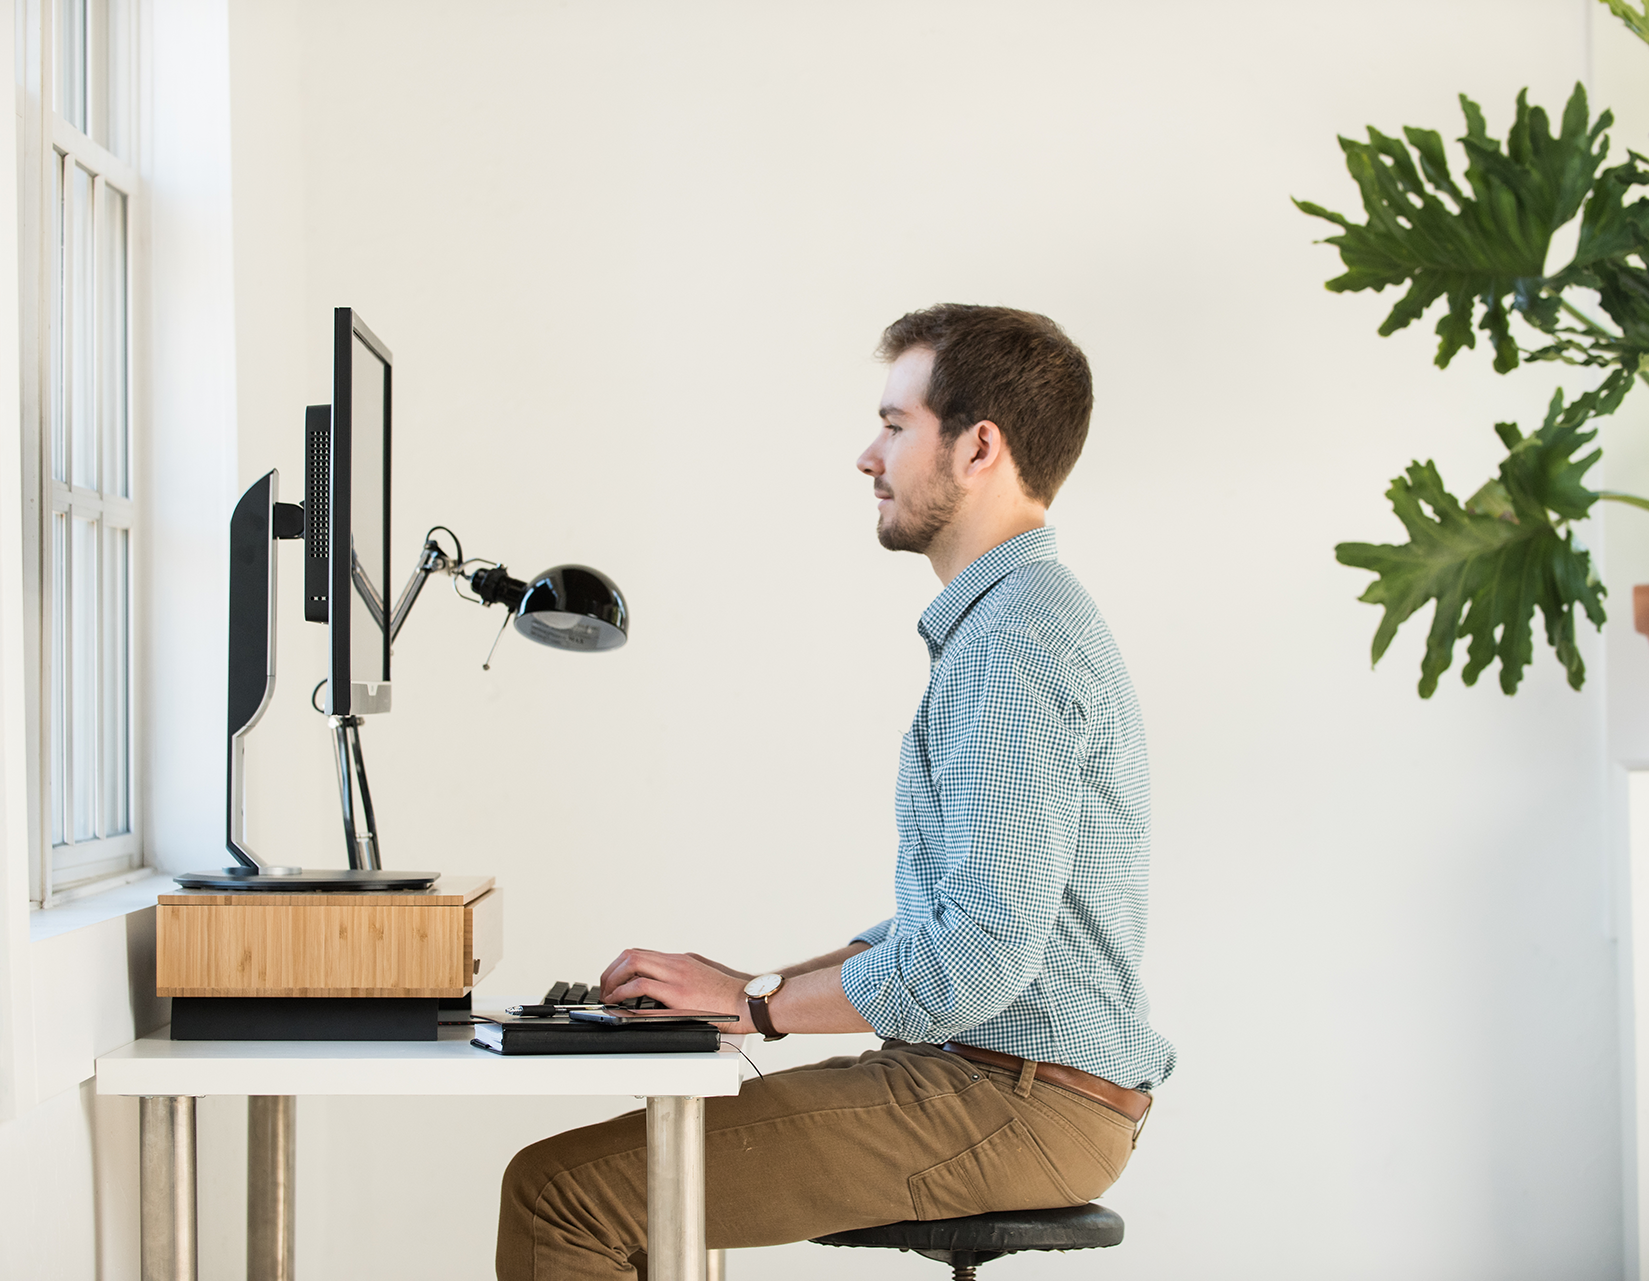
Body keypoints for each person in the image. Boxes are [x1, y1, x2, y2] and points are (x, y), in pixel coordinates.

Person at [496, 304, 1175, 1280]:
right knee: (635, 1179)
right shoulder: (1010, 626)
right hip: (1002, 1079)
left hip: (1020, 1097)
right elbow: (943, 927)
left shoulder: (1017, 643)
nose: (869, 455)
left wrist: (762, 1005)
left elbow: (978, 957)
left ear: (980, 447)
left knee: (564, 1197)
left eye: (897, 425)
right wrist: (745, 993)